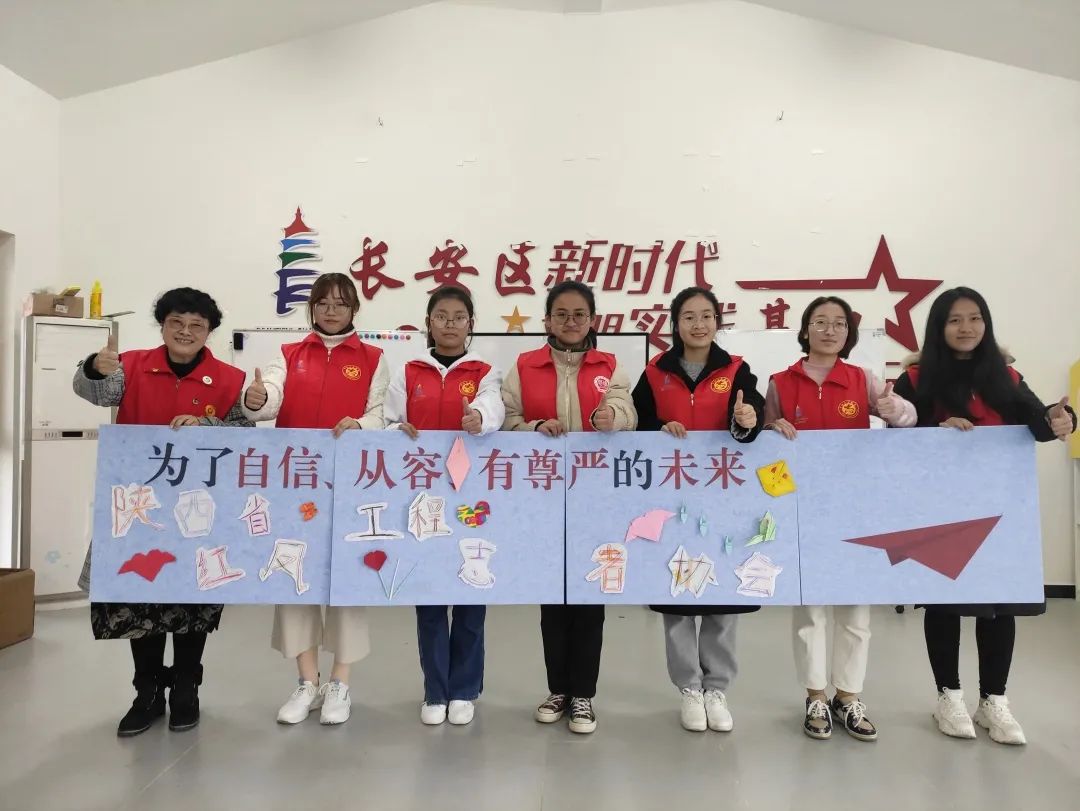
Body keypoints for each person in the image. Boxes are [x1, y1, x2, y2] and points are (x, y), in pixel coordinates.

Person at [892, 286, 1076, 745]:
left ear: (986, 324)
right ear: (939, 327)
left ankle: (994, 699)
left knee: (998, 604)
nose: (966, 327)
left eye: (975, 318)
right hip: (939, 509)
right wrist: (935, 430)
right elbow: (894, 437)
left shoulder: (1006, 376)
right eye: (955, 319)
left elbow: (1038, 422)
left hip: (1000, 509)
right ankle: (948, 696)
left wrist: (1060, 418)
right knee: (945, 603)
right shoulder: (915, 379)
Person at [73, 287, 250, 736]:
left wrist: (206, 424)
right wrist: (94, 367)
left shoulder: (230, 378)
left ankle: (187, 687)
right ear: (163, 325)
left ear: (209, 331)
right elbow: (94, 391)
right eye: (176, 323)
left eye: (196, 326)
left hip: (199, 511)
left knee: (193, 597)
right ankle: (147, 691)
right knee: (140, 596)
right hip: (137, 508)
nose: (185, 332)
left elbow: (244, 434)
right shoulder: (130, 365)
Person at [766, 296, 916, 742]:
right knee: (809, 610)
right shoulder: (780, 382)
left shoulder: (862, 380)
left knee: (855, 610)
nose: (830, 330)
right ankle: (815, 696)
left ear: (848, 334)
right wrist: (771, 431)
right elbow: (763, 449)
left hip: (855, 509)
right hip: (803, 510)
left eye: (839, 324)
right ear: (805, 330)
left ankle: (848, 697)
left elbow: (907, 418)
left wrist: (894, 411)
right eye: (820, 322)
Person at [242, 272, 389, 727]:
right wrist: (257, 398)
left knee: (347, 578)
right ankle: (307, 681)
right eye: (323, 303)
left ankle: (340, 683)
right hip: (295, 483)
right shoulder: (289, 354)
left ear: (354, 309)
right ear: (312, 308)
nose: (331, 311)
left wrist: (360, 424)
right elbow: (269, 399)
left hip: (350, 485)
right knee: (295, 574)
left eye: (340, 304)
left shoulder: (373, 358)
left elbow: (381, 413)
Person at [501, 280, 637, 734]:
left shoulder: (609, 365)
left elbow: (627, 410)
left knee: (589, 599)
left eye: (580, 314)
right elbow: (507, 420)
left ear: (592, 320)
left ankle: (583, 695)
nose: (571, 321)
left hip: (596, 501)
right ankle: (557, 688)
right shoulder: (525, 366)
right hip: (542, 499)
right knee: (554, 600)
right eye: (561, 313)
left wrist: (612, 418)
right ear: (547, 320)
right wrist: (535, 427)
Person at [631, 286, 764, 733]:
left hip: (724, 495)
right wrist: (657, 427)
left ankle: (717, 687)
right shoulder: (655, 372)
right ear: (676, 323)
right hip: (671, 498)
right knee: (678, 591)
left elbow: (752, 417)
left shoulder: (737, 369)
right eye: (689, 316)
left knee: (721, 591)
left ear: (717, 322)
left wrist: (747, 421)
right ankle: (689, 686)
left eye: (707, 316)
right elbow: (637, 423)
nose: (699, 324)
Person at [383, 286, 504, 726]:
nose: (450, 324)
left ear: (470, 323)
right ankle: (435, 690)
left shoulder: (485, 371)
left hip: (471, 497)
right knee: (429, 595)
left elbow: (494, 407)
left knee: (471, 591)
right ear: (429, 322)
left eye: (458, 317)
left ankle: (465, 689)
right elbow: (388, 421)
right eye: (441, 316)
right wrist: (397, 430)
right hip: (421, 498)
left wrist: (480, 419)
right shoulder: (408, 371)